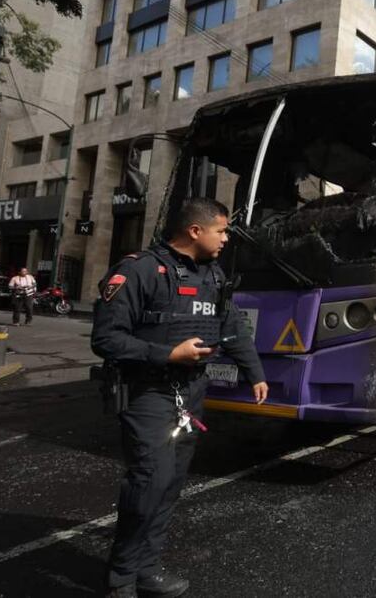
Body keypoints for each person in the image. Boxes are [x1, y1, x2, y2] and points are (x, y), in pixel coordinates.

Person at [91, 198, 269, 598]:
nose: (226, 238)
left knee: (169, 484)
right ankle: (120, 580)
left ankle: (147, 571)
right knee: (149, 481)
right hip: (147, 392)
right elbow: (105, 339)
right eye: (221, 230)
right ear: (195, 231)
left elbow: (233, 326)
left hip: (189, 395)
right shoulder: (138, 270)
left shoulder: (214, 275)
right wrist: (167, 354)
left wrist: (254, 373)